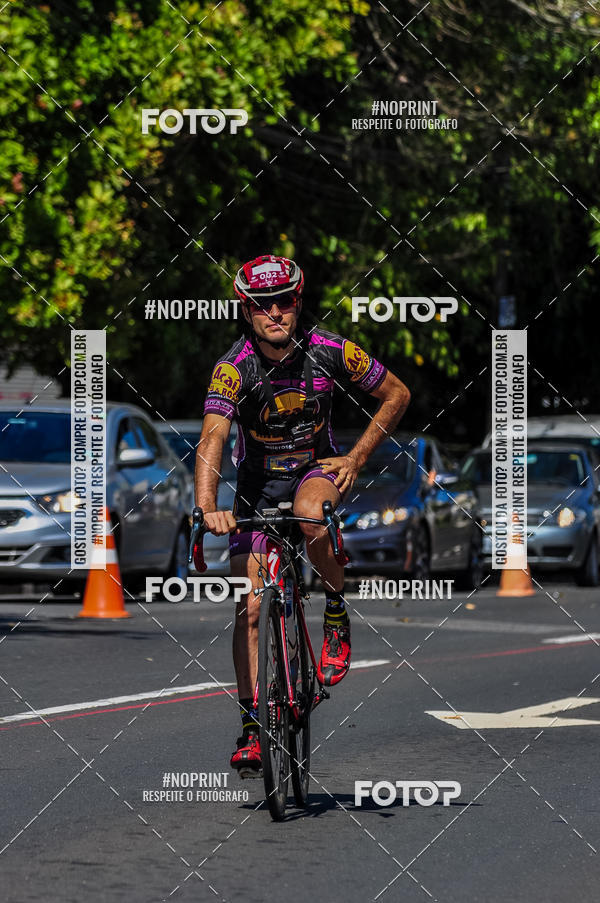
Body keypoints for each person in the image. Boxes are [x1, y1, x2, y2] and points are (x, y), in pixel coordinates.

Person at [195, 254, 410, 775]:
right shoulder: (234, 368)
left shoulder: (330, 350)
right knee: (249, 607)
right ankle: (251, 727)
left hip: (314, 471)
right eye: (262, 305)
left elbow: (397, 393)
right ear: (245, 311)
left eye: (284, 301)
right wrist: (207, 507)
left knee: (314, 515)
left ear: (298, 302)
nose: (275, 313)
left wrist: (357, 458)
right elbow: (213, 436)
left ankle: (335, 611)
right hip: (256, 487)